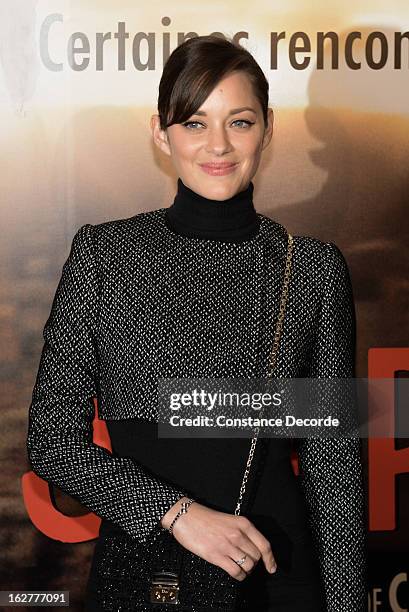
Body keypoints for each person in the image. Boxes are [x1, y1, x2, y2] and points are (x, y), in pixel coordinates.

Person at [26, 35, 367, 611]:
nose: (218, 146)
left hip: (280, 580)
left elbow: (334, 472)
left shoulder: (311, 268)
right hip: (149, 582)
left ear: (267, 127)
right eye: (194, 123)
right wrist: (177, 514)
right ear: (161, 132)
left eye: (239, 121)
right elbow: (52, 444)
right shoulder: (106, 256)